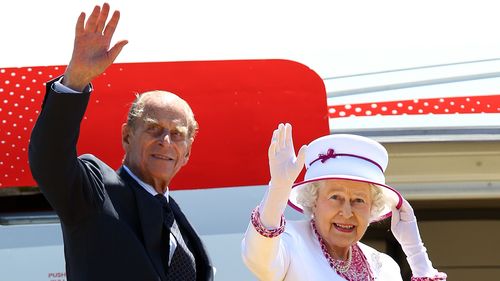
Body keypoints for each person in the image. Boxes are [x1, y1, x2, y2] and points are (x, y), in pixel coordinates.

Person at [28, 3, 213, 281]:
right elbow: (49, 158)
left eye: (177, 134)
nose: (166, 141)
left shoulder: (179, 223)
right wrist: (75, 80)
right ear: (127, 136)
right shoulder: (94, 192)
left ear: (186, 153)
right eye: (154, 129)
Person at [241, 123, 447, 281]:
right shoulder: (292, 241)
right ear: (314, 201)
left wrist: (416, 253)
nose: (347, 212)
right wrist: (278, 188)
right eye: (335, 197)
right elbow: (259, 260)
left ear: (372, 208)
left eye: (359, 200)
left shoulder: (384, 266)